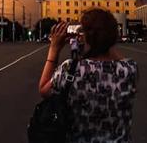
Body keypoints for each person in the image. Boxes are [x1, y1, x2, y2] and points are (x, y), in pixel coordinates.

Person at [38, 9, 138, 142]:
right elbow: (115, 55)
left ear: (85, 37)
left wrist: (54, 48)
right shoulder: (129, 69)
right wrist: (105, 41)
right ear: (113, 36)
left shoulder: (71, 69)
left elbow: (44, 89)